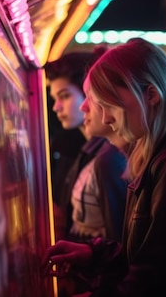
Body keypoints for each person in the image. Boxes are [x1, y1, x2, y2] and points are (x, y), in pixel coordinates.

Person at [43, 38, 166, 297]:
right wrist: (94, 253)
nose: (106, 116)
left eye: (109, 105)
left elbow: (156, 276)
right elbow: (150, 250)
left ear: (151, 95)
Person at [43, 47, 127, 244]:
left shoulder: (110, 157)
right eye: (55, 98)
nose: (57, 107)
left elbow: (118, 237)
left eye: (65, 96)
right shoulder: (87, 150)